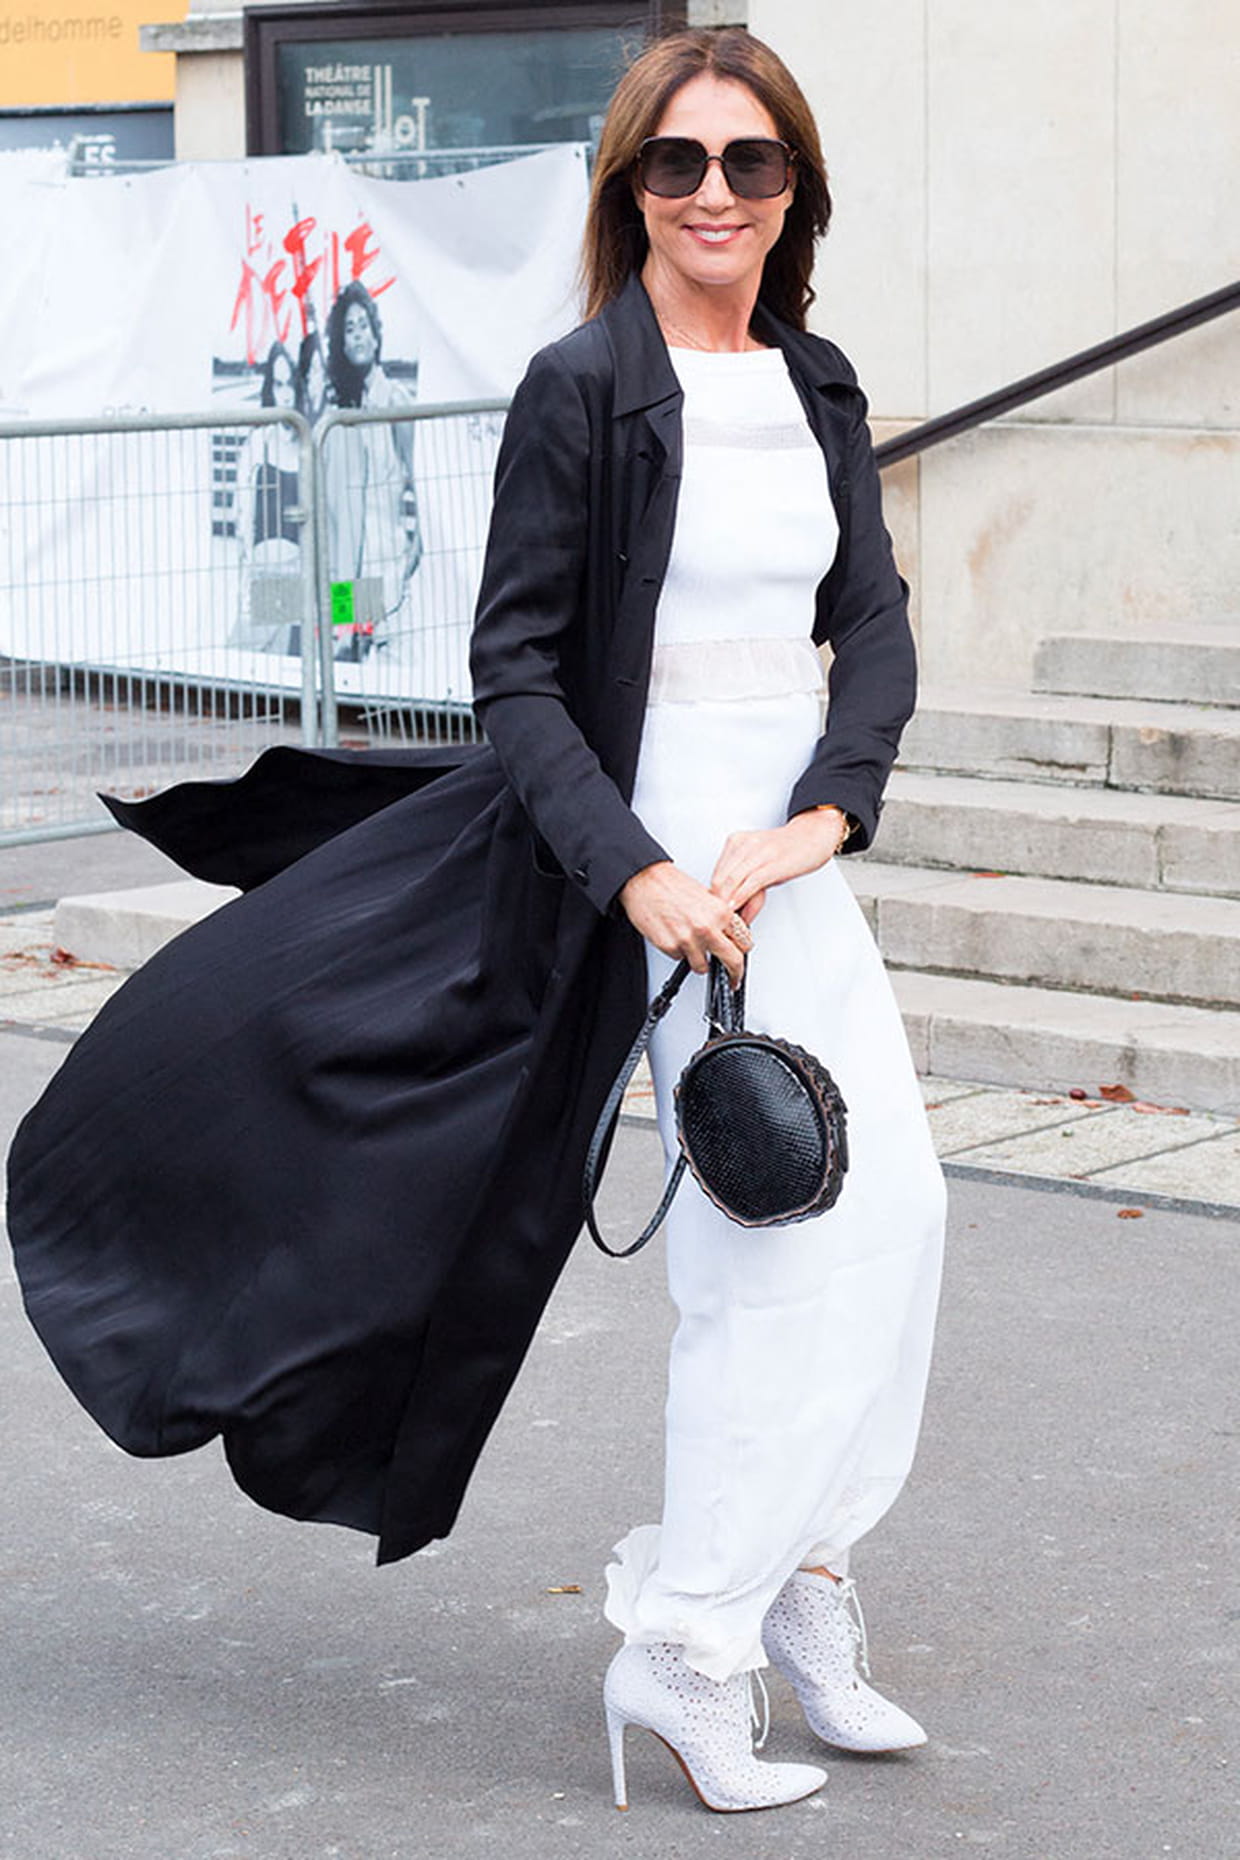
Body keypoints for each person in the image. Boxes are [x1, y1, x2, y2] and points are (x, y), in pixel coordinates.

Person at [6, 27, 944, 1818]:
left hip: (783, 867)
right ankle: (688, 1648)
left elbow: (875, 628)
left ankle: (799, 1580)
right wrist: (639, 872)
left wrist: (828, 811)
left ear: (795, 190)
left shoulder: (817, 385)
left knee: (898, 1214)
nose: (717, 193)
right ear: (632, 186)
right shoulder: (582, 387)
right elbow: (513, 671)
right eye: (679, 162)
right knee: (763, 1257)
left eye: (751, 162)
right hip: (641, 875)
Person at [322, 279, 421, 657]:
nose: (359, 335)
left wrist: (414, 545)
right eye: (349, 329)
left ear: (376, 334)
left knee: (387, 658)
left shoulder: (396, 399)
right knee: (345, 658)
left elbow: (416, 477)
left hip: (387, 558)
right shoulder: (340, 409)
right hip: (347, 561)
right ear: (342, 343)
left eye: (364, 325)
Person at [230, 341, 305, 654]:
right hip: (262, 572)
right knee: (250, 658)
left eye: (290, 385)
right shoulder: (257, 443)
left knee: (284, 662)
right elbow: (241, 516)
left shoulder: (310, 444)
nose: (285, 394)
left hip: (297, 572)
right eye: (278, 384)